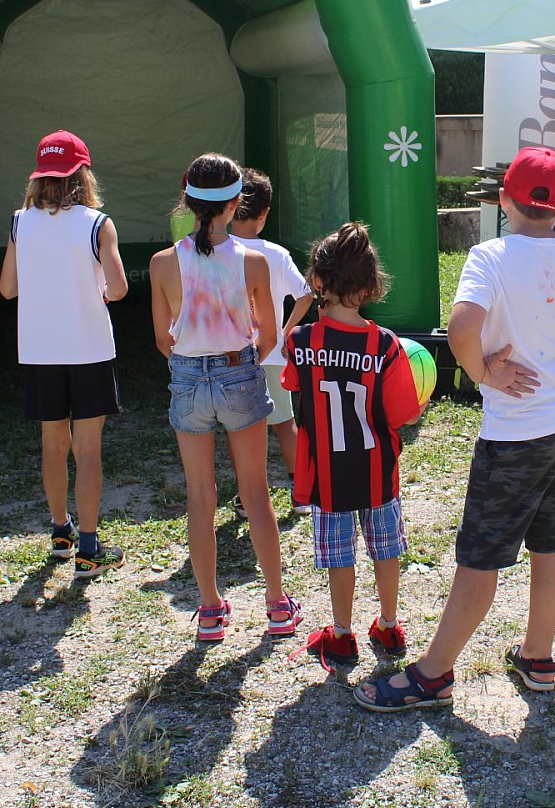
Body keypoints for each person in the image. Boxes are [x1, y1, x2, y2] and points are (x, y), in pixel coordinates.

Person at [355, 146, 555, 711]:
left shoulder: (489, 256)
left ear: (505, 199)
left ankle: (434, 675)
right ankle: (537, 657)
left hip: (516, 433)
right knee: (550, 536)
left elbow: (462, 327)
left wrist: (482, 373)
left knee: (480, 557)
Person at [150, 153, 300, 642]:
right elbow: (268, 336)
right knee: (255, 493)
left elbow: (162, 339)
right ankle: (277, 606)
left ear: (188, 201)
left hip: (188, 379)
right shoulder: (253, 261)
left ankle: (211, 610)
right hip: (240, 373)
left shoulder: (162, 263)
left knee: (200, 497)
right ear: (236, 203)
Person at [282, 223, 423, 670]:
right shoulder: (386, 346)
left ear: (317, 281)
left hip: (327, 475)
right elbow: (404, 416)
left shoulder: (300, 342)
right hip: (377, 470)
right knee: (386, 547)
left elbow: (292, 383)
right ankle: (388, 624)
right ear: (370, 287)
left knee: (339, 557)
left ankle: (341, 635)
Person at [0, 130, 128, 580]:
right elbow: (119, 288)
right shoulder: (98, 223)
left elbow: (7, 288)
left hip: (40, 350)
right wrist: (95, 290)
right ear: (82, 174)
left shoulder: (20, 222)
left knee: (52, 445)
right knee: (87, 450)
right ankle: (90, 548)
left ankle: (60, 532)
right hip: (89, 348)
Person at [229, 168, 314, 515]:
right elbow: (306, 295)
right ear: (264, 213)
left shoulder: (218, 251)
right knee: (284, 424)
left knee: (239, 430)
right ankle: (300, 491)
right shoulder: (276, 254)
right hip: (273, 355)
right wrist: (286, 332)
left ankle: (245, 495)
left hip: (231, 357)